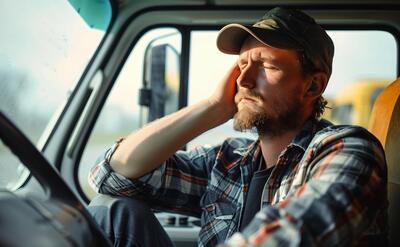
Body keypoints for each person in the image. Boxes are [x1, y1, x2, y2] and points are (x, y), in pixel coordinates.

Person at [88, 7, 388, 247]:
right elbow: (111, 176)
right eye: (242, 65)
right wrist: (213, 107)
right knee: (114, 213)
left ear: (312, 85)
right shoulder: (227, 162)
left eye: (266, 66)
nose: (243, 80)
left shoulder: (348, 148)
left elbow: (297, 232)